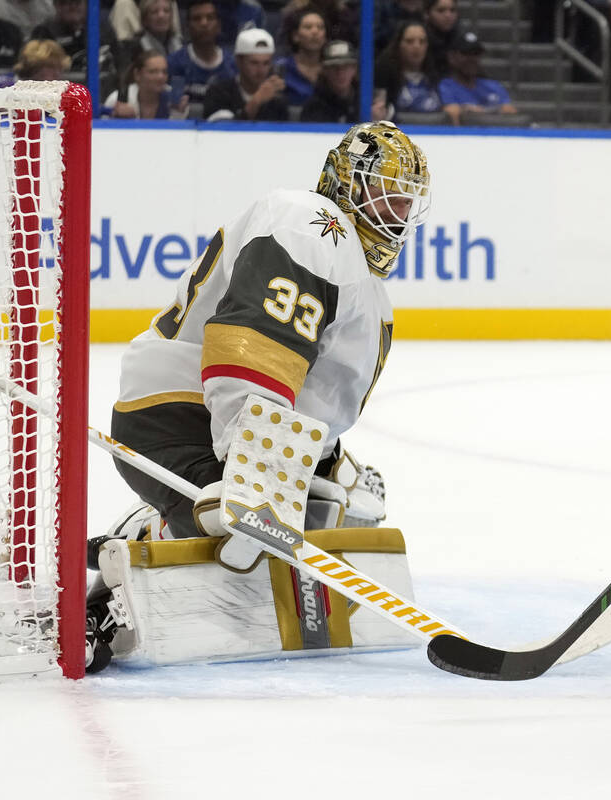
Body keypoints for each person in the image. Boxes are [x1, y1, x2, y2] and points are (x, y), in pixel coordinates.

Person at [83, 121, 431, 672]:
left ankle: (179, 518)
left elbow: (314, 401)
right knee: (242, 527)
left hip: (236, 427)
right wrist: (257, 469)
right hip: (175, 413)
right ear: (343, 183)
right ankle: (134, 553)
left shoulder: (372, 297)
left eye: (403, 206)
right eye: (382, 198)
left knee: (338, 512)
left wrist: (328, 468)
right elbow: (250, 345)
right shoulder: (314, 226)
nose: (392, 217)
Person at [204, 27, 290, 122]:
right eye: (254, 63)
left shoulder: (277, 100)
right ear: (238, 61)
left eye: (266, 63)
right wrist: (256, 101)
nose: (261, 70)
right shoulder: (218, 92)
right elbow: (222, 132)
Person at [437, 30, 518, 125]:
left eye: (476, 54)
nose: (472, 59)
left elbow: (509, 111)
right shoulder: (444, 86)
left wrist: (471, 111)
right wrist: (494, 111)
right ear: (451, 57)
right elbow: (452, 113)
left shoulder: (494, 86)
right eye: (466, 53)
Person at [301, 39, 390, 122]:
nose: (340, 72)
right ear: (325, 70)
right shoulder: (314, 107)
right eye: (334, 67)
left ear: (354, 69)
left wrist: (380, 121)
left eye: (346, 66)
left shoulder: (368, 100)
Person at [166, 0, 234, 108]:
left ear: (219, 25)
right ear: (187, 27)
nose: (204, 23)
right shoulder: (174, 64)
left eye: (210, 18)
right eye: (197, 19)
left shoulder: (232, 65)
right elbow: (174, 107)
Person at [374, 19, 442, 119]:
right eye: (409, 41)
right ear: (398, 45)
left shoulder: (437, 74)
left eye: (422, 41)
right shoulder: (383, 75)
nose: (416, 46)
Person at [104, 49, 186, 119]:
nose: (161, 77)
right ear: (137, 74)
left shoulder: (174, 100)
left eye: (164, 72)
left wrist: (178, 113)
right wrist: (118, 120)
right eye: (153, 72)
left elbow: (176, 134)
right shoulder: (116, 99)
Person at [276, 7, 326, 106]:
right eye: (308, 27)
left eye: (320, 27)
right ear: (295, 36)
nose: (315, 32)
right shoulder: (280, 69)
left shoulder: (332, 70)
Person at [0, 36, 69, 86]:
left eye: (60, 68)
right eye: (52, 67)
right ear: (35, 67)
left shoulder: (62, 93)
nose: (58, 74)